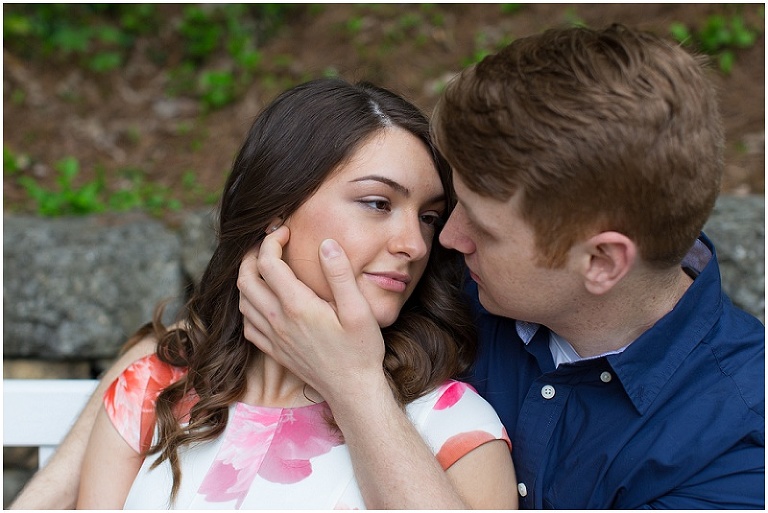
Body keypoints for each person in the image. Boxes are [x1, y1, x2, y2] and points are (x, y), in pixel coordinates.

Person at [236, 24, 765, 509]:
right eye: (450, 206)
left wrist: (354, 386)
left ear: (601, 261)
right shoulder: (463, 276)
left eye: (483, 228)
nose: (440, 240)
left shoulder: (736, 443)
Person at [73, 78, 516, 509]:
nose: (415, 245)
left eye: (429, 216)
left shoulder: (454, 427)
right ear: (275, 209)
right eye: (378, 203)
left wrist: (356, 385)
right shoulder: (154, 391)